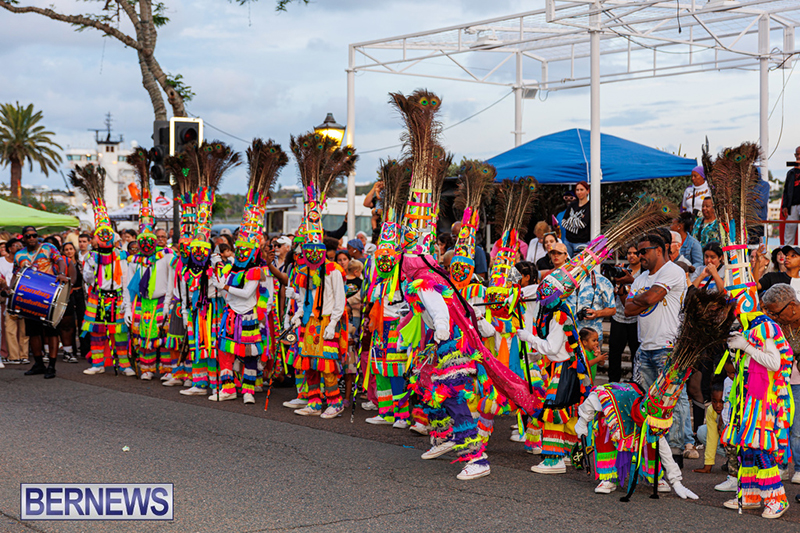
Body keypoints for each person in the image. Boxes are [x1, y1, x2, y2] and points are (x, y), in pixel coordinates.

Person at [724, 284, 793, 518]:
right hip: (751, 397)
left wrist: (746, 347)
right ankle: (750, 495)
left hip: (765, 399)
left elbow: (774, 363)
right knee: (749, 447)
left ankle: (777, 499)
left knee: (761, 448)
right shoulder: (753, 326)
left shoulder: (765, 327)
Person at [624, 233, 689, 457]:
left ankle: (676, 450)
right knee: (650, 400)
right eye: (638, 252)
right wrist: (647, 297)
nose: (639, 256)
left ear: (659, 250)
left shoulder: (673, 271)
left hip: (668, 345)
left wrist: (641, 299)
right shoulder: (641, 278)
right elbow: (628, 310)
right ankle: (657, 450)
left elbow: (648, 300)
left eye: (644, 251)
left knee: (673, 398)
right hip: (645, 347)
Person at [14, 226, 69, 379]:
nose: (32, 238)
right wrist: (11, 290)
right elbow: (15, 274)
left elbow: (60, 260)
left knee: (51, 331)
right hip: (29, 296)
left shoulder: (48, 247)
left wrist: (62, 273)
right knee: (33, 333)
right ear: (23, 238)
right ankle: (38, 363)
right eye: (28, 236)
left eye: (34, 235)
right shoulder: (19, 255)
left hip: (48, 295)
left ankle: (51, 365)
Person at [761, 284, 800, 487]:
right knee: (780, 426)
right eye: (769, 313)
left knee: (798, 429)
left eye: (775, 313)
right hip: (780, 382)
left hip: (797, 383)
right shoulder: (777, 324)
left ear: (792, 306)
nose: (772, 317)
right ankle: (781, 466)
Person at [607, 244, 641, 383]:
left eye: (634, 253)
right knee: (614, 353)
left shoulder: (644, 273)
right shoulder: (621, 270)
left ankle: (635, 382)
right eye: (628, 253)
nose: (631, 256)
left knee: (636, 353)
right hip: (619, 317)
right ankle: (613, 382)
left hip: (636, 319)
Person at [0, 238, 28, 366]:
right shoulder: (1, 262)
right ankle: (13, 356)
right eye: (16, 245)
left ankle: (24, 355)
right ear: (9, 248)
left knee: (24, 329)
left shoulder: (25, 261)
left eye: (21, 245)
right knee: (10, 328)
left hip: (24, 297)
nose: (18, 247)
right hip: (8, 298)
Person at [561, 181, 590, 256]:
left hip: (582, 242)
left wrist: (570, 220)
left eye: (581, 189)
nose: (579, 192)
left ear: (587, 191)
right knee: (567, 264)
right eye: (577, 190)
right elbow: (563, 222)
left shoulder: (589, 206)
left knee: (579, 265)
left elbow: (582, 224)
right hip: (568, 241)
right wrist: (576, 221)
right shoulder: (572, 205)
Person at [780, 146, 800, 246]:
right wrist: (785, 206)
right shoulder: (791, 173)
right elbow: (786, 191)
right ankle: (786, 252)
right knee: (789, 233)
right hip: (792, 206)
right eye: (797, 154)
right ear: (795, 155)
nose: (799, 157)